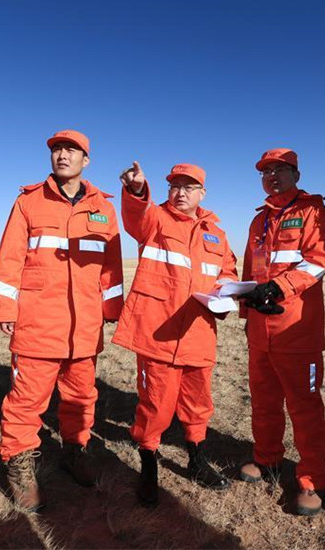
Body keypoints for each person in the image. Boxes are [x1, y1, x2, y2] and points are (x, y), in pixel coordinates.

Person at [0, 129, 124, 512]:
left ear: (86, 160)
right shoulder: (29, 202)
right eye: (57, 149)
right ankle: (19, 465)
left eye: (72, 150)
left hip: (83, 325)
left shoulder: (103, 207)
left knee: (81, 396)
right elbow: (10, 258)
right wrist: (3, 309)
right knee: (26, 400)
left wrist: (111, 309)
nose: (63, 155)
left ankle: (74, 451)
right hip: (37, 321)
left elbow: (110, 266)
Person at [113, 161, 238, 508]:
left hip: (199, 329)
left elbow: (227, 268)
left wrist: (226, 290)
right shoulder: (154, 219)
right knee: (156, 404)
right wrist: (137, 190)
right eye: (175, 186)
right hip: (158, 330)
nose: (180, 193)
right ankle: (149, 463)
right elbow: (136, 215)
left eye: (188, 187)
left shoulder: (216, 232)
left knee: (199, 403)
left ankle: (197, 460)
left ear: (202, 193)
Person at [235, 148, 325, 516]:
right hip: (261, 329)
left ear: (296, 173)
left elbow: (318, 261)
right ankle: (267, 458)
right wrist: (247, 307)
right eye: (266, 172)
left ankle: (312, 480)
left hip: (297, 328)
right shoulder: (258, 220)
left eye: (280, 170)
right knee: (263, 401)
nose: (272, 177)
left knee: (304, 406)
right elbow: (253, 267)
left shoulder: (312, 211)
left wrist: (278, 289)